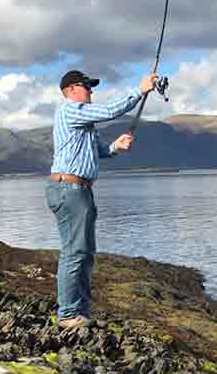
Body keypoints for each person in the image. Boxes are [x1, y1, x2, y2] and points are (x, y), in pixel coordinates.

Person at [46, 69, 158, 329]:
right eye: (87, 86)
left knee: (84, 254)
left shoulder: (84, 123)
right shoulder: (69, 110)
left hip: (78, 190)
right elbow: (110, 111)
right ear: (72, 89)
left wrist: (115, 147)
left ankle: (80, 312)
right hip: (69, 190)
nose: (91, 91)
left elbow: (98, 152)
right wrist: (140, 89)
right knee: (75, 253)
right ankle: (67, 314)